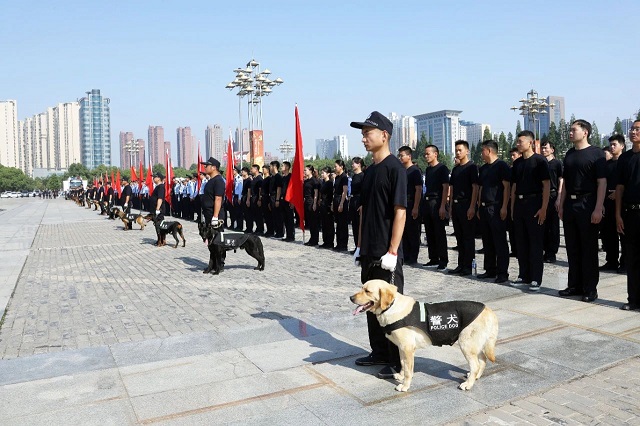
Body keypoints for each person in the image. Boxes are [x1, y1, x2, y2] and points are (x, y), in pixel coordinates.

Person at [350, 111, 407, 380]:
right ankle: (379, 352)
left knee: (390, 308)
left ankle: (398, 364)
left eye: (367, 133)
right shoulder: (370, 172)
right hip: (369, 250)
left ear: (384, 135)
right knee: (370, 305)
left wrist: (393, 251)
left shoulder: (395, 168)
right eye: (362, 133)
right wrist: (360, 245)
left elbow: (400, 211)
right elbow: (364, 211)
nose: (363, 138)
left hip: (387, 253)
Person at [558, 120, 606, 302]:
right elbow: (566, 184)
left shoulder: (596, 153)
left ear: (585, 132)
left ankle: (590, 288)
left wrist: (598, 207)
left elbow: (602, 182)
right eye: (570, 130)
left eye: (573, 130)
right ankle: (574, 285)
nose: (570, 133)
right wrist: (561, 205)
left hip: (588, 203)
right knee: (572, 248)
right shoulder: (569, 155)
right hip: (570, 206)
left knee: (588, 249)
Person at [510, 130, 550, 292]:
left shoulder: (540, 161)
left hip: (534, 203)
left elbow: (546, 185)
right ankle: (523, 275)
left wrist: (544, 208)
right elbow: (514, 187)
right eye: (517, 141)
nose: (518, 144)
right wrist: (512, 209)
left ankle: (535, 278)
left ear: (530, 143)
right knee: (521, 242)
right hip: (519, 205)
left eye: (520, 141)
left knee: (535, 242)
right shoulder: (518, 163)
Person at [477, 140, 511, 283]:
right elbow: (480, 188)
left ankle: (502, 272)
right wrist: (478, 206)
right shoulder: (483, 168)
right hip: (484, 208)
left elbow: (507, 187)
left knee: (499, 241)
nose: (481, 153)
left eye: (483, 150)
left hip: (496, 207)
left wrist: (504, 207)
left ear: (489, 151)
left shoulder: (501, 166)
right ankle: (490, 269)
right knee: (487, 240)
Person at [615, 119, 640, 310]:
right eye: (632, 129)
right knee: (631, 258)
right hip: (630, 213)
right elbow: (620, 188)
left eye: (637, 129)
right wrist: (618, 215)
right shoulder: (625, 159)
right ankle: (633, 299)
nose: (633, 132)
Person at [448, 140, 479, 276]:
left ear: (467, 151)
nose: (458, 153)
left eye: (460, 150)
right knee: (459, 237)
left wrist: (472, 207)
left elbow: (475, 188)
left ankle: (468, 266)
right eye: (456, 150)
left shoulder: (472, 167)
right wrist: (450, 208)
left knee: (468, 237)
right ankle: (460, 265)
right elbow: (452, 189)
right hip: (456, 205)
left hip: (467, 204)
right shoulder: (455, 169)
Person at [421, 144, 450, 270]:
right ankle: (433, 258)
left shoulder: (442, 168)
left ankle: (443, 260)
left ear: (435, 154)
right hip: (427, 202)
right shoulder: (428, 170)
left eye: (428, 153)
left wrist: (443, 206)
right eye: (425, 154)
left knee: (439, 232)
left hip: (437, 201)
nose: (426, 156)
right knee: (429, 231)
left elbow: (445, 188)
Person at [601, 134, 626, 273]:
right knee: (608, 234)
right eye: (610, 144)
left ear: (622, 146)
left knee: (623, 234)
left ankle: (625, 262)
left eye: (614, 144)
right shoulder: (606, 165)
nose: (612, 147)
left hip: (623, 202)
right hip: (607, 202)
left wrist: (618, 193)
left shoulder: (625, 161)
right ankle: (611, 261)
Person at [200, 157, 227, 272]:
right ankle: (213, 264)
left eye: (207, 165)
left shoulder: (219, 180)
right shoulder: (210, 180)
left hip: (215, 216)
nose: (205, 167)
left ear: (214, 167)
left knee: (218, 241)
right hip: (208, 215)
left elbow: (218, 199)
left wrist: (215, 217)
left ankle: (219, 264)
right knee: (211, 242)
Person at [397, 146, 422, 265]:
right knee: (404, 231)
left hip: (412, 203)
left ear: (409, 156)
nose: (400, 157)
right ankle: (405, 255)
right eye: (400, 155)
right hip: (403, 204)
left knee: (413, 232)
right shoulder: (402, 171)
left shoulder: (415, 171)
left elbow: (418, 189)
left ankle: (413, 256)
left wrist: (416, 207)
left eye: (402, 155)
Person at [540, 142, 563, 264]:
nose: (543, 150)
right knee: (542, 224)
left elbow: (561, 180)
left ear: (552, 150)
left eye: (546, 148)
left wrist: (559, 197)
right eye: (542, 148)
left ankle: (551, 252)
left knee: (553, 225)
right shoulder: (541, 163)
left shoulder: (557, 163)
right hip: (542, 194)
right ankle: (543, 250)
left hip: (553, 195)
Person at [507, 147, 521, 258]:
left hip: (521, 199)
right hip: (511, 200)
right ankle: (514, 249)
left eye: (514, 155)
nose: (512, 157)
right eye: (511, 155)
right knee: (511, 227)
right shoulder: (510, 169)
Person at [333, 160, 349, 251]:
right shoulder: (337, 177)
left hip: (341, 200)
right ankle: (338, 243)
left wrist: (341, 203)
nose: (335, 168)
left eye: (336, 166)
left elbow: (345, 191)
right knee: (338, 224)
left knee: (343, 225)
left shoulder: (344, 177)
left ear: (341, 166)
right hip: (336, 199)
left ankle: (343, 245)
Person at [349, 158, 365, 251]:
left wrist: (362, 204)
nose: (352, 165)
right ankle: (357, 247)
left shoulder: (363, 176)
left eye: (353, 164)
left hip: (359, 200)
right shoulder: (354, 176)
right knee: (354, 225)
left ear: (359, 164)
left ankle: (361, 247)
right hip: (353, 200)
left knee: (360, 226)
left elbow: (364, 191)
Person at [303, 165, 320, 246]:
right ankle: (311, 238)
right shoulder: (306, 181)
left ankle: (315, 240)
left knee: (314, 223)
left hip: (312, 202)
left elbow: (316, 193)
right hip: (306, 202)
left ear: (310, 171)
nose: (304, 172)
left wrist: (314, 203)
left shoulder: (314, 181)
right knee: (310, 222)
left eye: (305, 170)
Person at [319, 166, 335, 249]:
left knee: (329, 225)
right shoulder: (323, 182)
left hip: (327, 205)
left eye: (323, 173)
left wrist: (330, 205)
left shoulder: (329, 183)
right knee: (324, 224)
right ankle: (325, 241)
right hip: (323, 205)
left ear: (328, 174)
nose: (322, 174)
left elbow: (331, 195)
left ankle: (329, 242)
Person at [281, 161, 295, 241]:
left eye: (283, 166)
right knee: (285, 218)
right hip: (283, 200)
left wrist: (292, 201)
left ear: (287, 167)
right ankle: (288, 235)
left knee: (290, 219)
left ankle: (291, 236)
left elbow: (292, 189)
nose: (281, 167)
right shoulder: (283, 178)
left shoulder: (291, 177)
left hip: (289, 200)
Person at [269, 161, 284, 238]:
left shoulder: (278, 176)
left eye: (270, 166)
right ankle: (276, 231)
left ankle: (280, 232)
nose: (270, 168)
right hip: (271, 197)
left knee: (278, 216)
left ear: (274, 167)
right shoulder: (272, 177)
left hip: (276, 197)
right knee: (274, 215)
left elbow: (279, 188)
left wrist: (277, 199)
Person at [250, 164, 264, 235]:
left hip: (257, 198)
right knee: (255, 214)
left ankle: (260, 229)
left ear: (256, 169)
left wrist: (259, 199)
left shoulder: (259, 178)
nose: (251, 170)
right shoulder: (254, 178)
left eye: (252, 169)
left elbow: (260, 190)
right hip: (253, 198)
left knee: (259, 214)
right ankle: (258, 228)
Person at [261, 165, 273, 237]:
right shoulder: (264, 179)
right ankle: (268, 230)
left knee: (269, 216)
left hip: (267, 198)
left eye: (264, 169)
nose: (262, 170)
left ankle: (271, 230)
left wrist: (269, 201)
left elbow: (269, 190)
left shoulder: (269, 179)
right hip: (263, 198)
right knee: (265, 215)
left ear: (267, 170)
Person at [241, 167, 253, 233]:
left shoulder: (249, 180)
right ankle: (247, 227)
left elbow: (249, 191)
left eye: (243, 171)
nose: (242, 172)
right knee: (245, 214)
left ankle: (250, 228)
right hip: (243, 196)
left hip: (247, 197)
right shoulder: (244, 180)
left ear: (246, 172)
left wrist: (248, 200)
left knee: (248, 214)